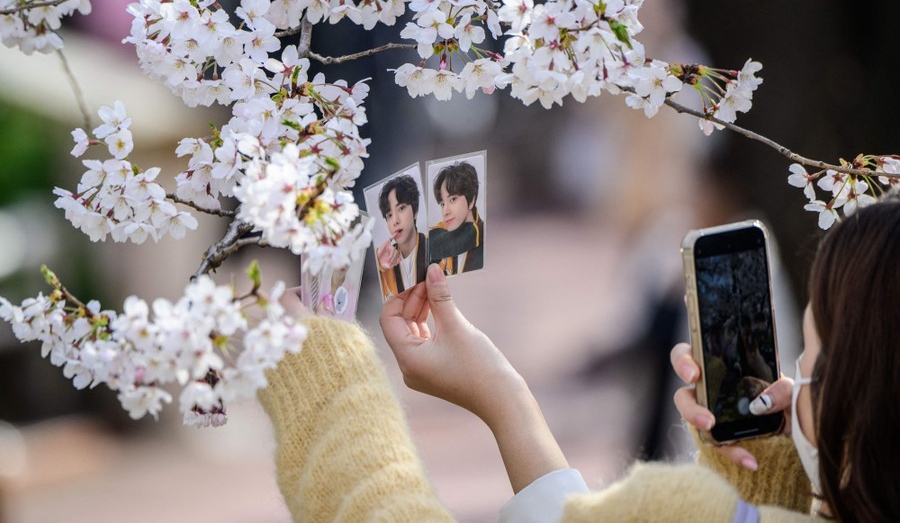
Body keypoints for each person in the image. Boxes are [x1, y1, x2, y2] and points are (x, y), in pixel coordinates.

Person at [259, 193, 900, 521]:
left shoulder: (676, 513)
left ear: (856, 392)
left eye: (811, 356)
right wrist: (771, 483)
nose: (791, 383)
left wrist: (331, 392)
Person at [375, 175, 427, 298]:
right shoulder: (382, 263)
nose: (395, 221)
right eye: (389, 215)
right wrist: (378, 265)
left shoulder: (434, 248)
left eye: (401, 208)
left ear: (415, 211)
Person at [429, 161, 484, 275]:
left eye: (453, 199)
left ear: (471, 200)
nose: (445, 211)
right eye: (442, 204)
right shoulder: (435, 235)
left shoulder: (487, 242)